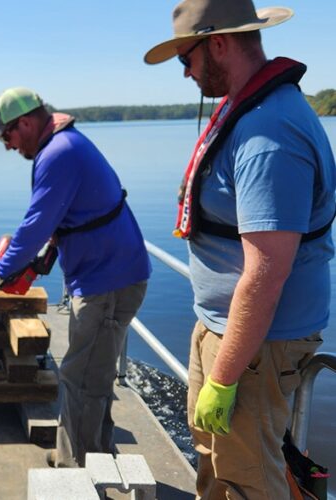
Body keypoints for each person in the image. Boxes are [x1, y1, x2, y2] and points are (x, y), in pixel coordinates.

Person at [144, 0, 336, 497]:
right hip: (228, 331)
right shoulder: (248, 109)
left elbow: (267, 272)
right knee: (217, 463)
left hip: (258, 345)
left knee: (247, 480)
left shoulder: (268, 133)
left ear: (219, 44)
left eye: (187, 58)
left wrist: (225, 377)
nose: (185, 73)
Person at [0, 87, 151, 468]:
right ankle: (93, 455)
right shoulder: (64, 145)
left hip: (108, 281)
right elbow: (61, 220)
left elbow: (36, 224)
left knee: (82, 379)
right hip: (110, 274)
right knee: (93, 375)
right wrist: (44, 257)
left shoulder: (58, 154)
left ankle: (81, 473)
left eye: (7, 136)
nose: (7, 147)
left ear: (24, 122)